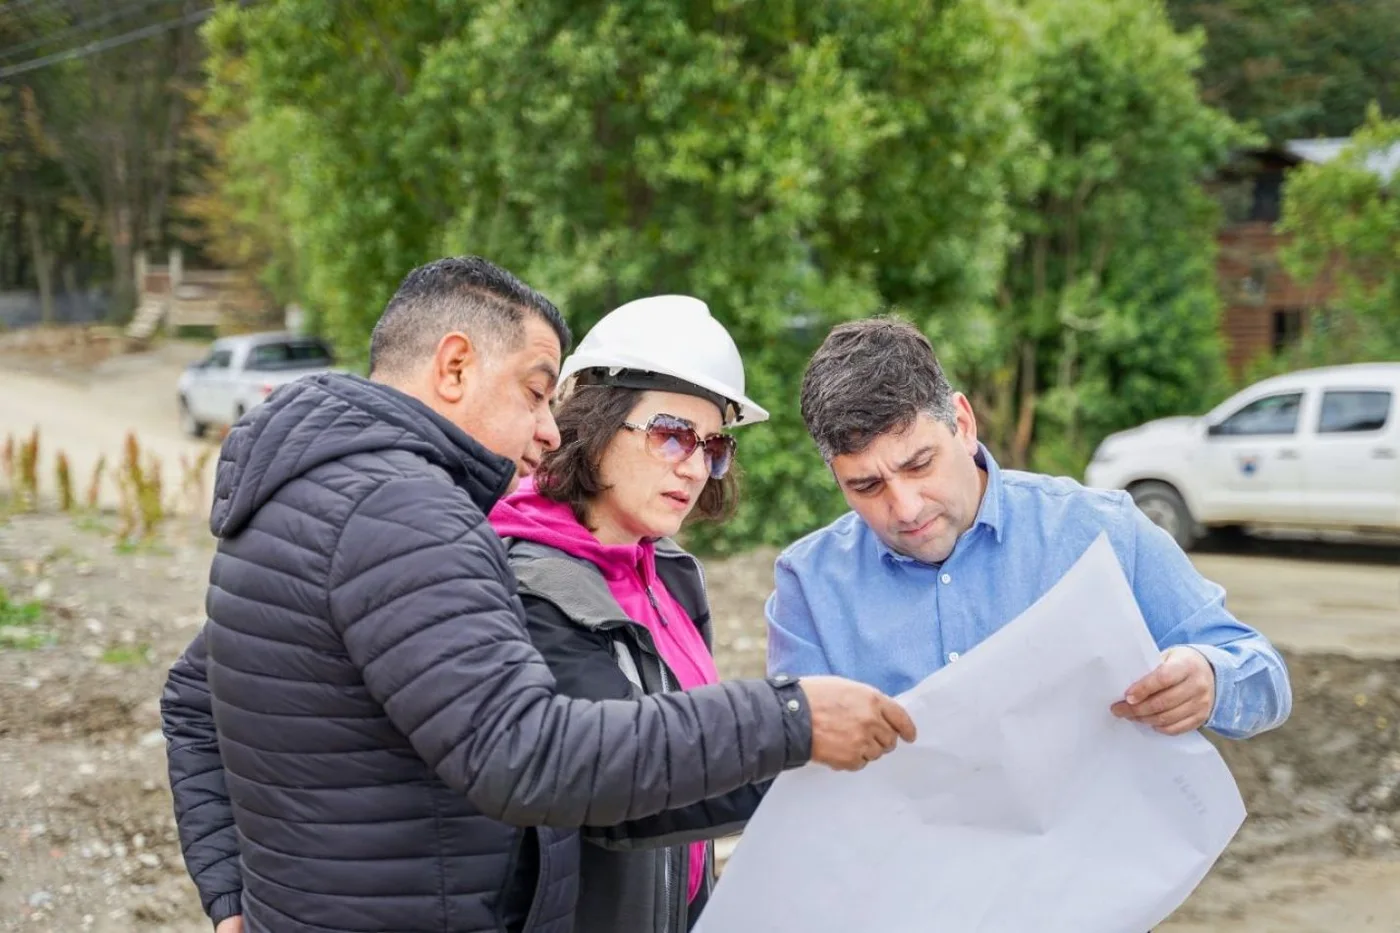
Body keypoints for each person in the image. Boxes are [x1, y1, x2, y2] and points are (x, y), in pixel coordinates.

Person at [159, 258, 917, 933]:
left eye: (713, 447)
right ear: (454, 366)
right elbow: (528, 755)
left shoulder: (323, 493)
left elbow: (193, 694)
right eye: (533, 392)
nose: (546, 430)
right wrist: (791, 723)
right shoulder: (412, 518)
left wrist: (231, 892)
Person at [766, 316, 1293, 742]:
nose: (903, 508)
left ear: (963, 424)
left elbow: (1265, 679)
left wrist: (1210, 680)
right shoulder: (810, 585)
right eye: (866, 487)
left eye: (919, 464)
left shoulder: (1100, 532)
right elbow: (795, 771)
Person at [490, 294, 776, 933]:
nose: (697, 466)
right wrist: (796, 738)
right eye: (672, 435)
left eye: (713, 444)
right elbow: (630, 785)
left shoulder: (672, 573)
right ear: (593, 424)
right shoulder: (529, 582)